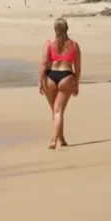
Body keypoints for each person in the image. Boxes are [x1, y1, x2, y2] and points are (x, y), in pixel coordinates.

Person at [39, 17, 81, 150]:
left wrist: (41, 81)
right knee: (58, 111)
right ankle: (57, 139)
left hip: (50, 76)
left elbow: (44, 63)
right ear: (67, 28)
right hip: (66, 76)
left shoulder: (49, 43)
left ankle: (56, 139)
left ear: (55, 29)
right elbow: (78, 68)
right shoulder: (74, 45)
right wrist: (76, 84)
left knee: (56, 110)